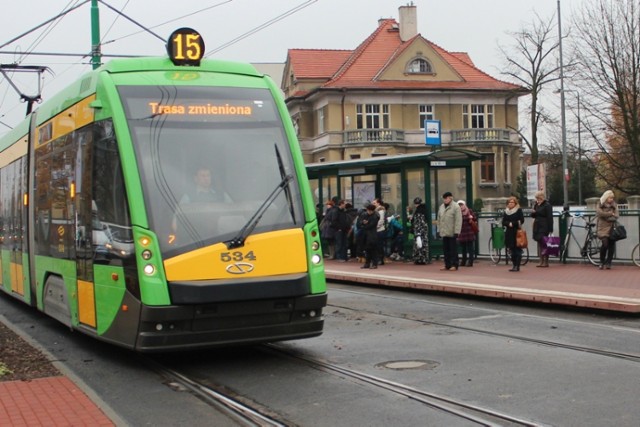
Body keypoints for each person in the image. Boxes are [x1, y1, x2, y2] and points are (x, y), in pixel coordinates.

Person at [437, 191, 462, 271]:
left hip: (452, 232)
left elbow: (458, 220)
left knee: (453, 250)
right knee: (446, 250)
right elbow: (439, 219)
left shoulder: (456, 207)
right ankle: (447, 264)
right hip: (444, 232)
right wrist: (439, 230)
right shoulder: (441, 207)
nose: (444, 200)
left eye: (446, 198)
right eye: (443, 198)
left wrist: (457, 231)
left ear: (450, 198)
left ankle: (454, 264)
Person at [596, 190, 619, 270]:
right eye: (610, 198)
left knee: (611, 245)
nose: (611, 199)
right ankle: (602, 261)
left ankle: (609, 262)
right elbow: (600, 213)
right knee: (605, 244)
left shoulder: (614, 205)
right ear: (606, 197)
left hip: (612, 227)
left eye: (612, 198)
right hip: (602, 227)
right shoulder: (600, 203)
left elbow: (616, 215)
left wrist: (608, 216)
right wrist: (610, 214)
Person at [531, 191, 553, 267]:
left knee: (544, 243)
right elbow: (533, 215)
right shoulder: (536, 205)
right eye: (537, 198)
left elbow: (550, 217)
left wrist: (550, 229)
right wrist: (533, 212)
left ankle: (546, 261)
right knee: (539, 243)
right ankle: (541, 260)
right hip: (537, 225)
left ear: (542, 197)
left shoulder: (547, 205)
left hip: (544, 225)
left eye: (539, 198)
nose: (537, 200)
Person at [502, 196, 525, 272]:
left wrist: (514, 223)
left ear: (515, 203)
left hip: (516, 232)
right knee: (511, 249)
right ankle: (514, 264)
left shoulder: (518, 210)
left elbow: (521, 220)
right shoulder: (506, 211)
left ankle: (517, 266)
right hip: (509, 232)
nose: (510, 204)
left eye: (512, 202)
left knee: (517, 249)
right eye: (509, 202)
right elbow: (503, 222)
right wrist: (508, 223)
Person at [456, 200, 477, 267]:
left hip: (469, 232)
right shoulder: (457, 212)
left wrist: (471, 218)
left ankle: (470, 262)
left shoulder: (469, 211)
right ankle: (463, 261)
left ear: (464, 205)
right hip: (462, 232)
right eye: (459, 205)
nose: (461, 206)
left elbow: (475, 218)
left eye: (462, 205)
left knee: (470, 248)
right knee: (463, 248)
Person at [359, 204, 380, 269]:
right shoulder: (364, 214)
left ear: (372, 210)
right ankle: (367, 263)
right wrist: (363, 222)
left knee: (373, 250)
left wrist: (365, 224)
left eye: (370, 211)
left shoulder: (375, 216)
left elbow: (371, 225)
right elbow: (359, 222)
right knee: (367, 250)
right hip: (365, 235)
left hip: (372, 235)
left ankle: (374, 264)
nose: (368, 212)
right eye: (368, 210)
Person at [410, 197, 429, 265]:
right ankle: (423, 259)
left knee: (419, 244)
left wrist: (418, 232)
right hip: (423, 230)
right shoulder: (424, 210)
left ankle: (419, 259)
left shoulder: (418, 211)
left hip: (419, 230)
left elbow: (418, 222)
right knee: (423, 244)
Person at [373, 198, 386, 265]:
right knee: (377, 245)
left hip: (380, 230)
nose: (373, 204)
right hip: (377, 230)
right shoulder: (375, 211)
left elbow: (381, 221)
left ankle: (381, 259)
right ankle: (378, 258)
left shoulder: (380, 211)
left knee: (379, 245)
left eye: (374, 203)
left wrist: (375, 227)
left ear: (378, 203)